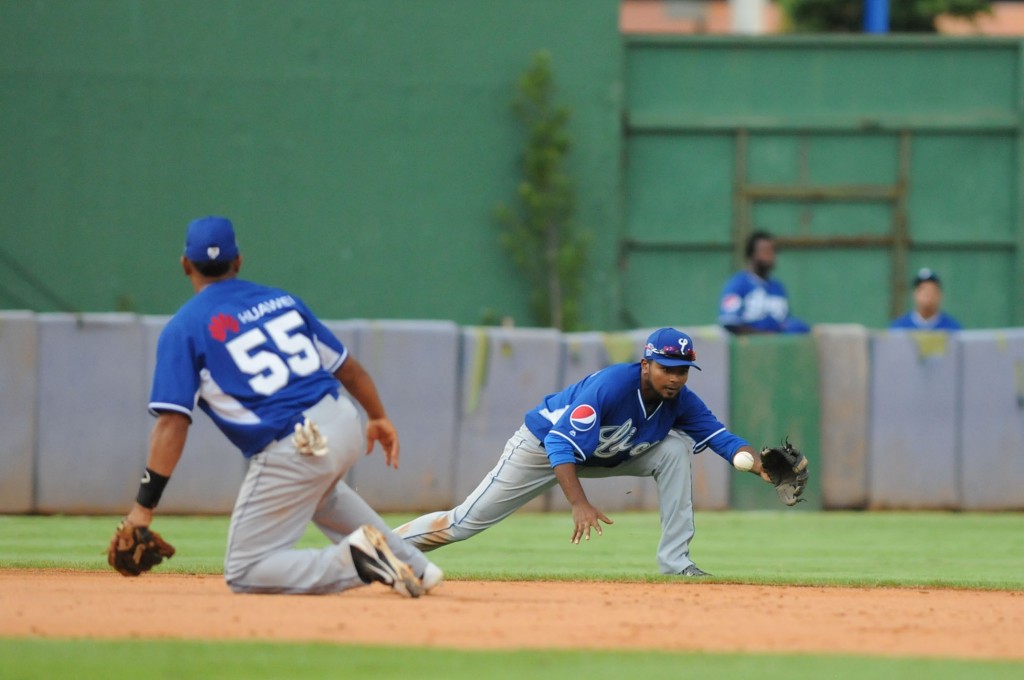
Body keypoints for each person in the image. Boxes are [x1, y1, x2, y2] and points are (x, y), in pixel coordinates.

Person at [114, 215, 442, 597]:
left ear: (185, 264)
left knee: (246, 569)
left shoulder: (184, 328)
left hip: (297, 444)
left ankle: (357, 560)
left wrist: (143, 508)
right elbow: (349, 369)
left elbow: (172, 424)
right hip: (343, 420)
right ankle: (416, 566)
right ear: (238, 261)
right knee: (323, 494)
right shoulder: (281, 301)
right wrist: (379, 417)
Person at [395, 327, 776, 577]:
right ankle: (377, 545)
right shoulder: (612, 386)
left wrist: (762, 466)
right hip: (542, 449)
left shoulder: (681, 401)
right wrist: (579, 503)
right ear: (646, 364)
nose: (675, 377)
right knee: (463, 524)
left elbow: (723, 438)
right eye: (666, 368)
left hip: (605, 453)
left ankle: (676, 565)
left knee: (676, 448)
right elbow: (560, 443)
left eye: (683, 370)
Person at [718, 230, 810, 334]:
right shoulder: (737, 285)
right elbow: (730, 323)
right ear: (751, 254)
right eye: (765, 251)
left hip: (775, 348)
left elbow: (784, 322)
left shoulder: (778, 287)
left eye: (773, 251)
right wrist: (765, 336)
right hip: (748, 348)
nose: (771, 256)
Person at [889, 267, 962, 331]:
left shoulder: (953, 329)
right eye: (923, 290)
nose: (927, 294)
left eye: (932, 290)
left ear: (940, 295)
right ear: (914, 294)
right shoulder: (899, 328)